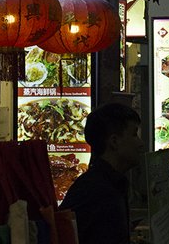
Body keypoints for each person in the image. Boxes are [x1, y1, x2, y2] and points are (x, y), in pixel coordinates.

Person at [59, 103, 144, 244]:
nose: (140, 143)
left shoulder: (112, 184)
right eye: (134, 134)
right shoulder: (95, 191)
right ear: (114, 141)